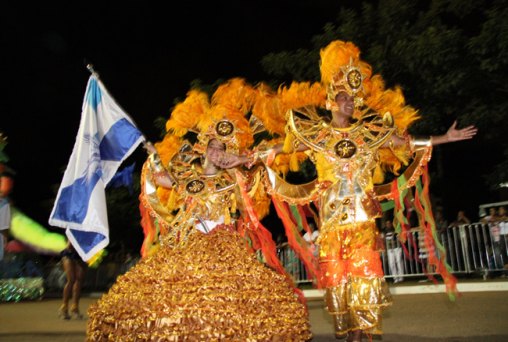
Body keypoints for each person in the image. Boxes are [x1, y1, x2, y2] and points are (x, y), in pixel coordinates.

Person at [254, 40, 477, 341]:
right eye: (343, 97)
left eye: (352, 98)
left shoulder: (368, 134)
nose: (349, 102)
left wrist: (444, 139)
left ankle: (361, 335)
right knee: (339, 285)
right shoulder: (316, 135)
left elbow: (404, 144)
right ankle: (351, 334)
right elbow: (281, 148)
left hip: (361, 223)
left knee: (363, 281)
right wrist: (247, 157)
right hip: (332, 226)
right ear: (332, 101)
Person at [86, 82, 312, 341]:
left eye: (222, 148)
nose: (216, 152)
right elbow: (161, 179)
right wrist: (155, 157)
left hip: (224, 246)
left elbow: (267, 157)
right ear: (203, 147)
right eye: (213, 146)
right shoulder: (186, 176)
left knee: (228, 301)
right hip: (187, 243)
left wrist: (243, 159)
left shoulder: (235, 179)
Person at [58, 242, 87, 320]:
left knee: (79, 280)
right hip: (69, 253)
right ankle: (64, 307)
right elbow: (70, 244)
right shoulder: (74, 229)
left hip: (80, 254)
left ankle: (75, 307)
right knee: (71, 279)